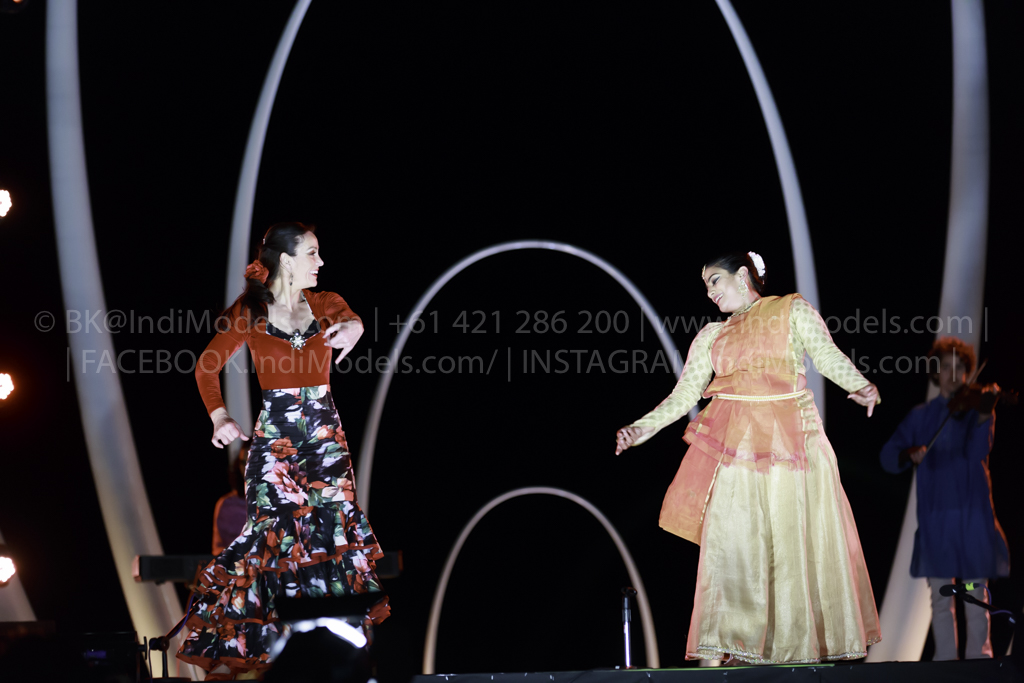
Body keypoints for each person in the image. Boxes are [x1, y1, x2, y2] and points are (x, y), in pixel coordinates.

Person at [616, 251, 881, 665]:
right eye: (705, 287)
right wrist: (641, 428)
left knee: (790, 546)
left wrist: (860, 385)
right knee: (733, 545)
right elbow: (685, 394)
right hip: (736, 450)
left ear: (742, 275)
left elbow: (826, 354)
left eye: (714, 281)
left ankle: (792, 651)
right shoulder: (711, 335)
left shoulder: (790, 309)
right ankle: (733, 648)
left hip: (792, 446)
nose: (710, 293)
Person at [177, 223, 389, 681]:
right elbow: (206, 367)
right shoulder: (250, 312)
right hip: (276, 440)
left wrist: (353, 329)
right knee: (274, 545)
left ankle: (334, 659)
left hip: (325, 440)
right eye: (312, 253)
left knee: (329, 543)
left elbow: (352, 319)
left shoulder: (324, 302)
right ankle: (273, 659)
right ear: (287, 260)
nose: (320, 261)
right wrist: (219, 416)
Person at [879, 337, 1008, 660]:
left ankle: (980, 661)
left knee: (974, 593)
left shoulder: (977, 410)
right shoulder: (921, 415)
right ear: (936, 373)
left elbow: (978, 452)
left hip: (973, 516)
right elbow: (887, 457)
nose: (953, 374)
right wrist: (910, 453)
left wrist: (985, 414)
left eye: (959, 367)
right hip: (936, 520)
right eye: (945, 367)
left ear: (967, 372)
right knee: (942, 597)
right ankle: (945, 665)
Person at [212, 444, 249, 556]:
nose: (247, 468)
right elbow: (217, 549)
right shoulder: (227, 504)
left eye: (253, 462)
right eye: (243, 462)